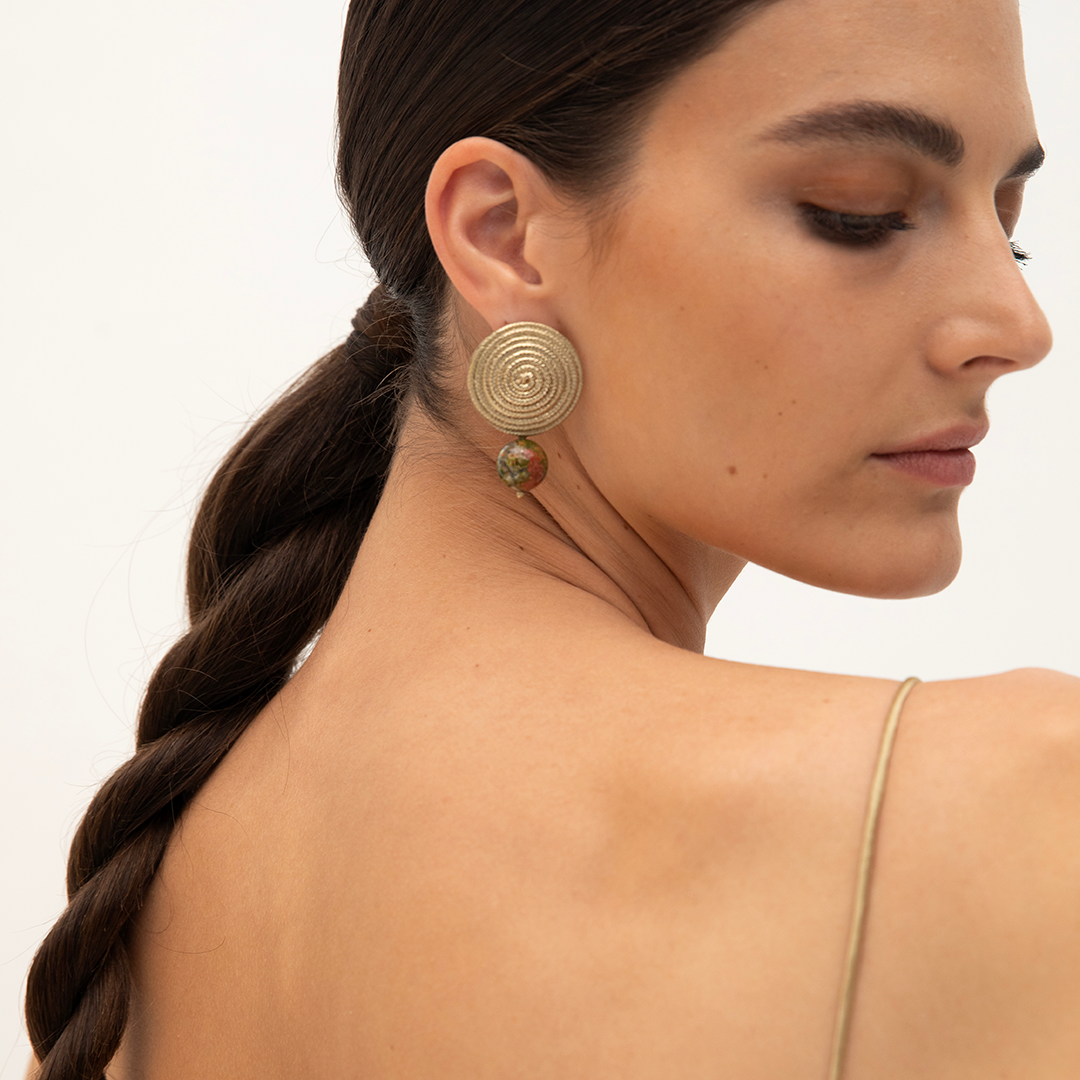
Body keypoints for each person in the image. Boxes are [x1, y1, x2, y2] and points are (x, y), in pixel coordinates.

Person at [24, 0, 1080, 1076]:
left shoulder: (163, 888)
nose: (1018, 325)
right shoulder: (1006, 804)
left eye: (1009, 225)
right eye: (859, 213)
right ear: (502, 235)